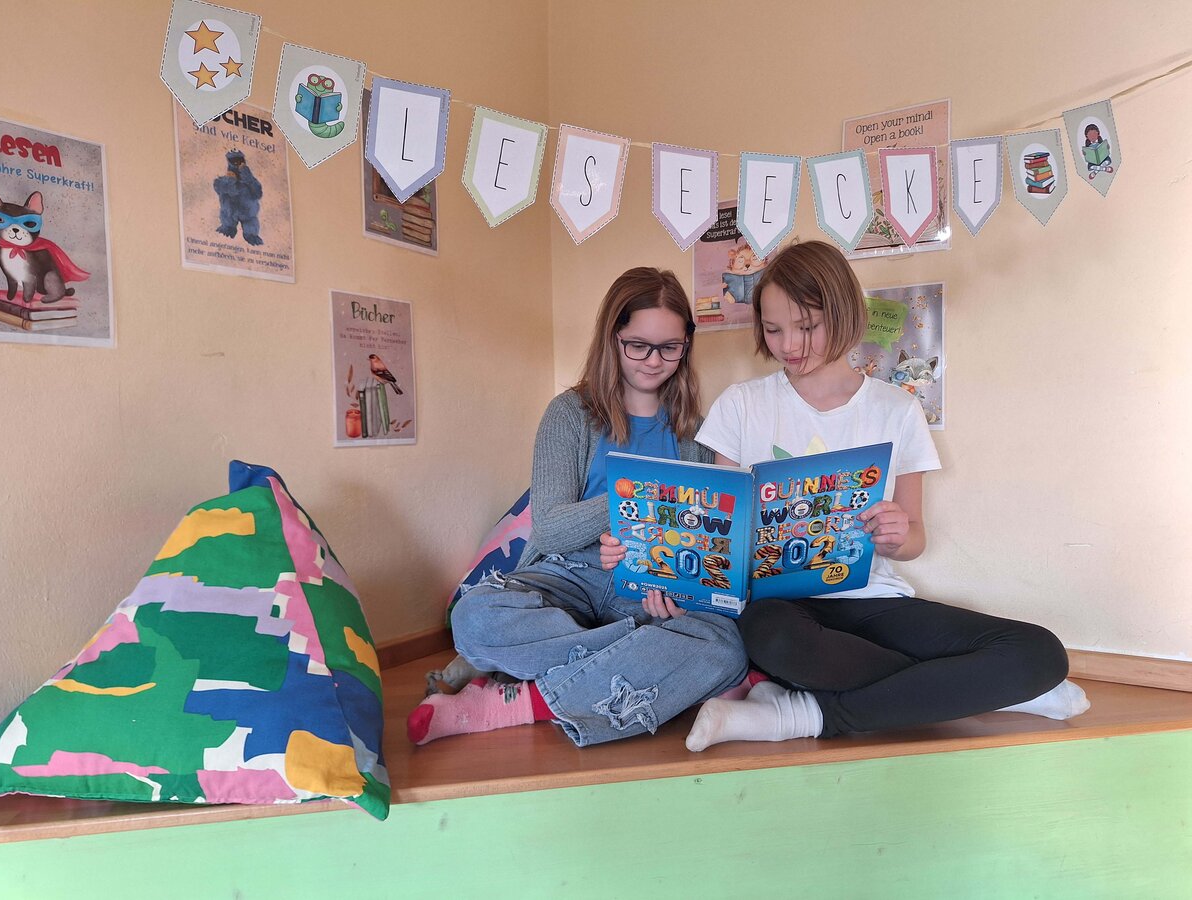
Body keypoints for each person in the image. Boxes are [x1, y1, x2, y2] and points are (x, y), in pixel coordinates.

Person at [681, 240, 1088, 752]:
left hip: (873, 600)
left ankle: (801, 714)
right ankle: (985, 693)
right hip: (782, 609)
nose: (790, 345)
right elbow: (724, 537)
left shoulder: (896, 409)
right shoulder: (742, 405)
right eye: (773, 328)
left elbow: (914, 539)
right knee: (770, 636)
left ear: (844, 314)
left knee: (1040, 653)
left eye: (807, 326)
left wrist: (897, 534)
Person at [409, 267, 747, 747]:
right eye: (639, 345)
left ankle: (516, 698)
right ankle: (628, 656)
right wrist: (637, 499)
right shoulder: (569, 414)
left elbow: (701, 542)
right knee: (475, 617)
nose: (654, 361)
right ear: (612, 337)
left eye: (670, 347)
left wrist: (676, 593)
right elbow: (549, 529)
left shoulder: (696, 431)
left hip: (647, 590)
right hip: (566, 576)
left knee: (725, 648)